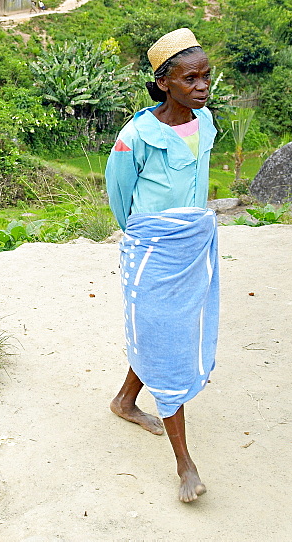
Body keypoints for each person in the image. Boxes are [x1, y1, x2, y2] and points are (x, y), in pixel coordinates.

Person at [104, 27, 219, 503]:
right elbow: (119, 196)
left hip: (193, 245)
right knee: (167, 343)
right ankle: (185, 464)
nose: (202, 86)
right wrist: (148, 235)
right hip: (153, 250)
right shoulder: (136, 136)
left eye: (206, 76)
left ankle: (126, 400)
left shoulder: (206, 122)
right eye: (191, 78)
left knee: (168, 332)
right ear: (164, 83)